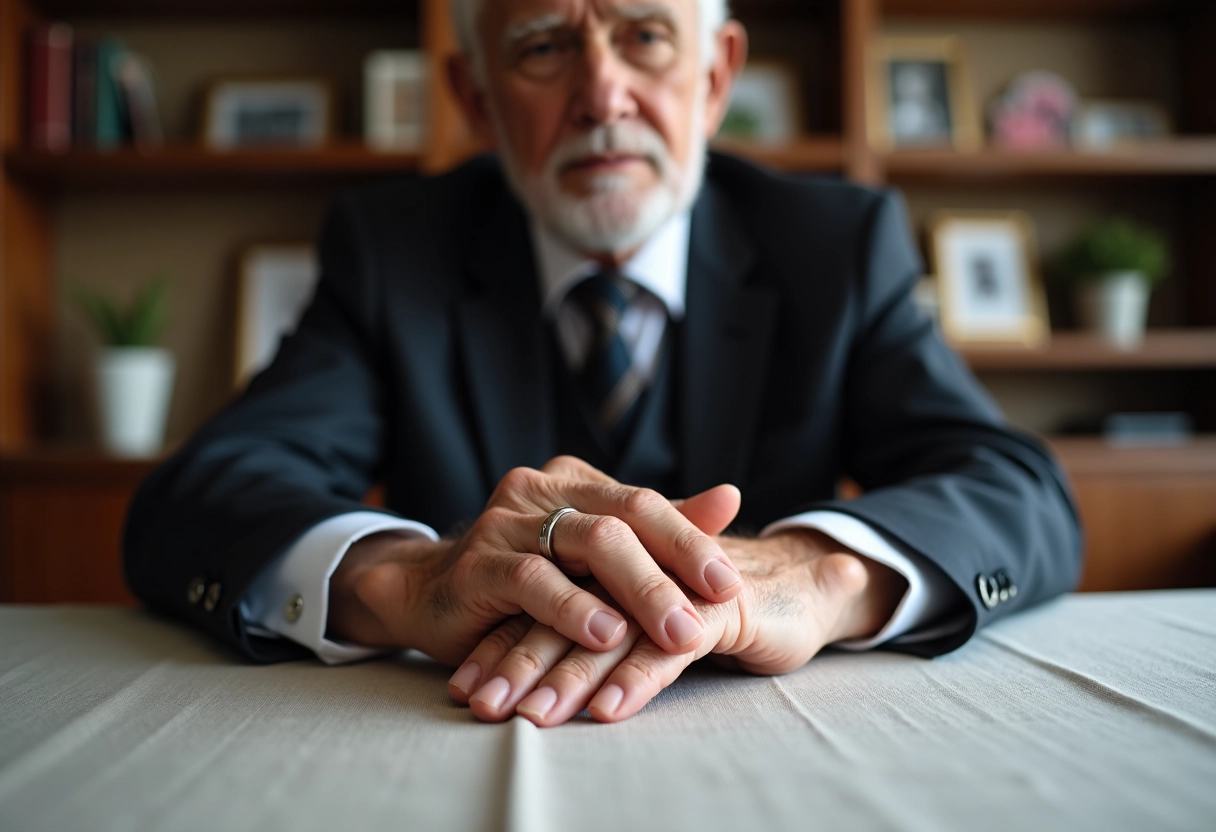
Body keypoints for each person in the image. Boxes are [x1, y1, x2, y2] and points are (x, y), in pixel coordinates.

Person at [123, 0, 1081, 728]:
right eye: (545, 45)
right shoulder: (391, 251)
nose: (602, 96)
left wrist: (809, 574)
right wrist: (405, 579)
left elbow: (1018, 490)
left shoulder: (834, 244)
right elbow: (201, 495)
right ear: (476, 98)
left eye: (646, 38)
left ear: (714, 78)